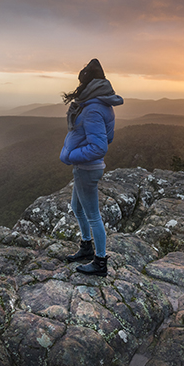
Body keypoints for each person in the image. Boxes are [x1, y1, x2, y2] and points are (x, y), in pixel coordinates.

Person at [59, 58, 123, 276]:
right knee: (77, 208)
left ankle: (100, 261)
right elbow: (108, 137)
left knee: (93, 215)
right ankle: (86, 247)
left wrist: (72, 155)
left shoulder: (94, 108)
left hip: (87, 168)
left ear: (89, 84)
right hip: (85, 167)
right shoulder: (98, 104)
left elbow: (99, 146)